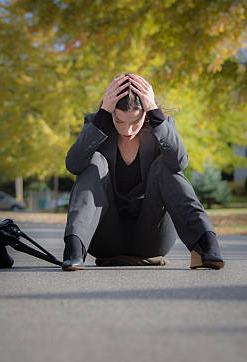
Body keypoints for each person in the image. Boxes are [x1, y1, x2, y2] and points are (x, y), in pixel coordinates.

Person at [62, 73, 224, 271]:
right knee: (94, 161)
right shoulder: (97, 125)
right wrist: (103, 114)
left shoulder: (160, 126)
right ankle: (73, 250)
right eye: (120, 121)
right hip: (105, 238)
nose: (128, 130)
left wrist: (155, 113)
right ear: (112, 113)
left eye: (135, 122)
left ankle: (206, 245)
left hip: (151, 238)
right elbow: (73, 164)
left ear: (146, 114)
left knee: (165, 166)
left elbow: (179, 162)